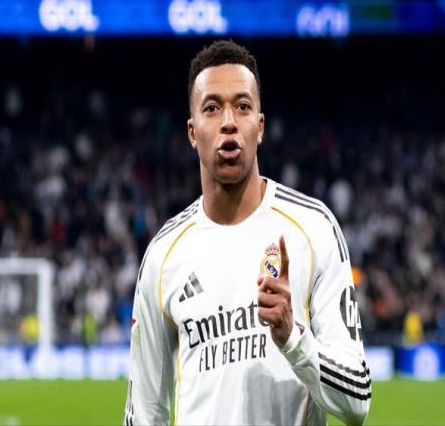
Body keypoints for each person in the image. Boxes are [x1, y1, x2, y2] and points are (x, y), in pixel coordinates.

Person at [124, 40, 371, 426]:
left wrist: (293, 337)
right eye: (211, 108)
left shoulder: (314, 229)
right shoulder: (163, 254)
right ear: (192, 131)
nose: (228, 121)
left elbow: (357, 401)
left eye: (242, 106)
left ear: (260, 126)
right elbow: (143, 414)